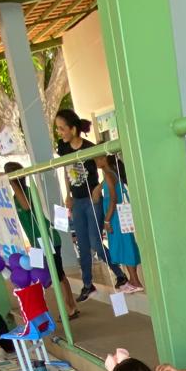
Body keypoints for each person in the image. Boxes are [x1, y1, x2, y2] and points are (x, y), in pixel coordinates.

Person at [54, 108, 126, 299]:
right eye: (58, 129)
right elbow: (66, 171)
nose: (59, 133)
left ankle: (119, 274)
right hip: (77, 201)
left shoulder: (89, 147)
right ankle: (87, 284)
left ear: (73, 129)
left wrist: (99, 187)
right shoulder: (63, 148)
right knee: (83, 244)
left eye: (62, 129)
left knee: (95, 241)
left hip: (92, 200)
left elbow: (108, 168)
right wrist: (67, 194)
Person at [4, 161, 79, 318]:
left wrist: (12, 182)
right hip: (37, 242)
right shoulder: (15, 196)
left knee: (58, 275)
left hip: (48, 239)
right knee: (55, 275)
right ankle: (71, 306)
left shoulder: (28, 192)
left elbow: (26, 207)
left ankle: (70, 307)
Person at [97, 154, 144, 294]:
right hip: (118, 216)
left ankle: (135, 280)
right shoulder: (112, 175)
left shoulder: (109, 176)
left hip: (115, 217)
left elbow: (113, 199)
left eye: (98, 158)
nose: (96, 161)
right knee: (126, 245)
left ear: (105, 159)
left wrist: (107, 220)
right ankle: (133, 279)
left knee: (124, 246)